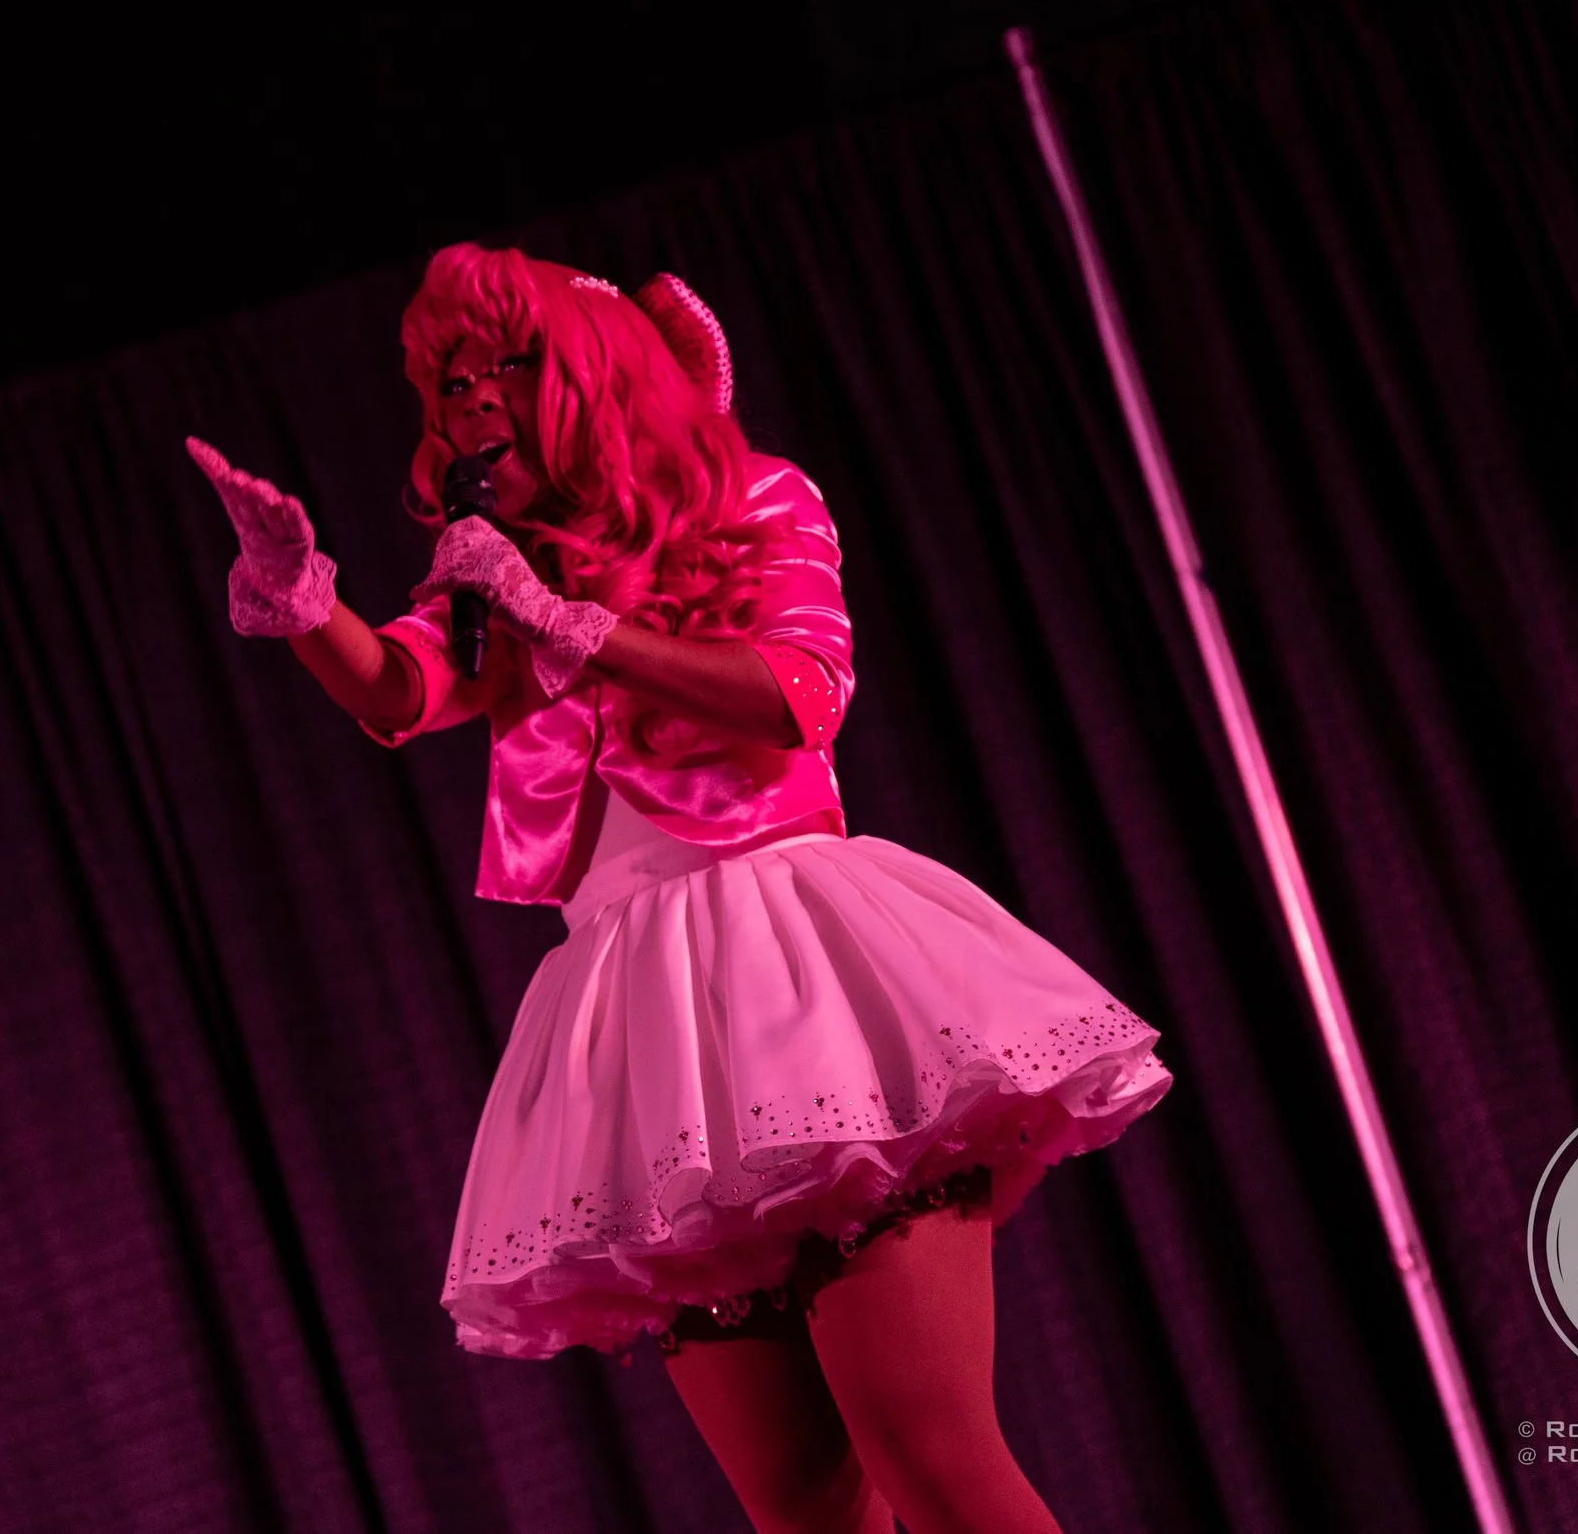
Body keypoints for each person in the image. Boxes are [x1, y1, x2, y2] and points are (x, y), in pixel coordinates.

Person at [187, 243, 1174, 1534]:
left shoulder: (754, 501)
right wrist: (300, 594)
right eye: (455, 380)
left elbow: (798, 697)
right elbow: (404, 688)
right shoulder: (498, 567)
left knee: (928, 1450)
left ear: (593, 378)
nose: (477, 401)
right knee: (804, 1515)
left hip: (803, 975)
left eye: (508, 366)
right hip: (646, 1036)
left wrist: (574, 624)